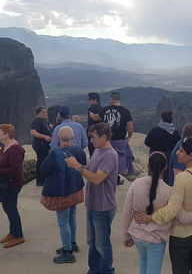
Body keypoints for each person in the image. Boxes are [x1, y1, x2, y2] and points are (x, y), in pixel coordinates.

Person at [134, 138, 192, 274]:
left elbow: (172, 210)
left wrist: (148, 218)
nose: (177, 152)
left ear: (191, 156)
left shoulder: (182, 178)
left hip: (182, 237)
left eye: (181, 151)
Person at [65, 123, 118, 274]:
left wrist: (78, 167)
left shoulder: (109, 155)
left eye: (93, 137)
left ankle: (107, 271)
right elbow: (92, 170)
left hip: (103, 206)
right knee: (92, 243)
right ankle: (94, 270)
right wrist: (78, 165)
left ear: (104, 137)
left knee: (102, 244)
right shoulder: (98, 151)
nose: (91, 141)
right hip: (93, 204)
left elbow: (96, 179)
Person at [40, 126, 86, 264]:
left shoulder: (54, 153)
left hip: (61, 192)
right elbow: (83, 165)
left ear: (58, 138)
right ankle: (72, 243)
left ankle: (68, 252)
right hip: (75, 189)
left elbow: (43, 170)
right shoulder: (78, 150)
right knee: (72, 216)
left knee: (63, 221)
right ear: (72, 138)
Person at [0, 124, 26, 248]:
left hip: (12, 184)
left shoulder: (15, 150)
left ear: (6, 135)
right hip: (6, 183)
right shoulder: (4, 147)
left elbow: (16, 170)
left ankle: (18, 236)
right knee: (7, 207)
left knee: (11, 209)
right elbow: (2, 163)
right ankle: (12, 232)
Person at [89, 91, 134, 185]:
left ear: (112, 99)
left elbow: (96, 118)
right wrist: (129, 136)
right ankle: (115, 178)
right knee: (118, 159)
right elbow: (130, 127)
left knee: (105, 157)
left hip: (106, 139)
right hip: (120, 140)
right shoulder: (125, 111)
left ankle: (103, 176)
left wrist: (91, 115)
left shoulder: (105, 109)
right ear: (119, 99)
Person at [144, 110, 181, 183]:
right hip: (169, 158)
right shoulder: (175, 133)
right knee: (166, 179)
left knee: (152, 177)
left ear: (162, 120)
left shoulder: (154, 131)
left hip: (155, 156)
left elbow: (147, 142)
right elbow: (179, 146)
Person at [30, 106, 52, 186]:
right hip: (40, 145)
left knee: (44, 161)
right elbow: (33, 132)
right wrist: (44, 136)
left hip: (44, 145)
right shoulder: (36, 121)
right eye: (44, 112)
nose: (46, 114)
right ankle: (40, 180)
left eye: (46, 112)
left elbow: (52, 126)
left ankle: (43, 178)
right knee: (41, 162)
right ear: (38, 113)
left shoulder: (44, 121)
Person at [87, 92, 103, 157]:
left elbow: (90, 122)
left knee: (92, 151)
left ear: (95, 99)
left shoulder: (90, 109)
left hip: (93, 132)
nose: (89, 101)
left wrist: (89, 132)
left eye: (90, 99)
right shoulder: (102, 108)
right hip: (101, 131)